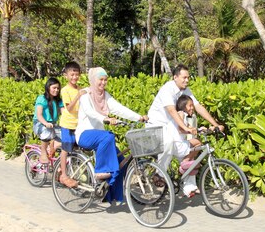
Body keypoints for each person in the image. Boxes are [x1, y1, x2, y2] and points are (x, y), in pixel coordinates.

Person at [147, 64, 223, 197]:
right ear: (175, 77)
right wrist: (186, 128)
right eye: (184, 78)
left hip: (173, 129)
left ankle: (188, 185)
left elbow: (198, 107)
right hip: (156, 127)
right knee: (169, 141)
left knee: (196, 146)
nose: (187, 80)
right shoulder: (167, 89)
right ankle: (159, 174)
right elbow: (171, 111)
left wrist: (215, 124)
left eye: (188, 78)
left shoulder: (185, 91)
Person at [75, 67, 148, 203]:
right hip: (84, 134)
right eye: (100, 80)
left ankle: (110, 195)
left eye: (105, 80)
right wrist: (106, 119)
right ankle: (100, 171)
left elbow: (119, 108)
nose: (103, 83)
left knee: (121, 162)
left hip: (101, 138)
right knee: (108, 136)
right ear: (93, 80)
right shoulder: (85, 95)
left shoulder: (104, 96)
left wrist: (138, 117)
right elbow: (90, 112)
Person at [57, 61, 86, 188]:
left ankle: (76, 171)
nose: (74, 77)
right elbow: (68, 108)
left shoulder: (81, 89)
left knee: (78, 149)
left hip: (79, 124)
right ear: (66, 76)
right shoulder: (65, 90)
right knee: (66, 148)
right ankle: (63, 175)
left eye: (77, 74)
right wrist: (78, 96)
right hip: (68, 124)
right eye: (72, 74)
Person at [32, 77, 64, 165]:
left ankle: (53, 151)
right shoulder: (42, 98)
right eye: (54, 88)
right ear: (48, 87)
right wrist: (46, 123)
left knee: (67, 136)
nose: (56, 90)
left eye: (58, 88)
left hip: (53, 124)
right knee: (47, 132)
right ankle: (43, 152)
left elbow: (64, 113)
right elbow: (39, 115)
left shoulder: (59, 101)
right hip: (40, 123)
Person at [176, 94, 202, 178]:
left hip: (181, 142)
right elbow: (180, 128)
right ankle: (185, 162)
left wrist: (202, 129)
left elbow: (190, 128)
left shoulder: (186, 117)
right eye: (190, 105)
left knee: (198, 143)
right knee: (198, 143)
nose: (192, 108)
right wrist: (189, 131)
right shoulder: (180, 113)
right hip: (177, 143)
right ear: (183, 107)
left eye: (192, 105)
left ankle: (186, 164)